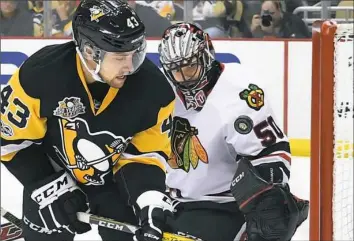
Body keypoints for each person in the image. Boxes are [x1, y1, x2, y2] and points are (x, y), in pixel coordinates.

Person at [0, 1, 176, 241]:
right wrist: (48, 186)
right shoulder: (40, 75)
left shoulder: (154, 91)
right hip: (51, 173)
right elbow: (10, 141)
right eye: (120, 56)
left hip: (113, 182)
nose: (130, 66)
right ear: (89, 52)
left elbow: (145, 155)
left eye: (136, 53)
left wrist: (148, 198)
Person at [158, 22, 309, 241]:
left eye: (189, 67)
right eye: (175, 70)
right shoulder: (160, 90)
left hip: (221, 205)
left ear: (207, 57)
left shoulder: (239, 92)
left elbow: (273, 153)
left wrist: (267, 201)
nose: (183, 77)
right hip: (167, 201)